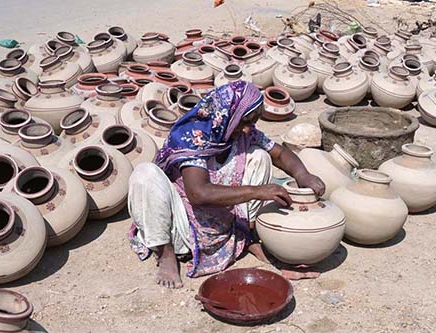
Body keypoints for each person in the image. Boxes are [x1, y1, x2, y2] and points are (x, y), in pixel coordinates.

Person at [128, 80, 325, 288]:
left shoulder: (238, 132)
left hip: (226, 224)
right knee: (144, 174)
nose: (248, 130)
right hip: (182, 224)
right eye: (244, 122)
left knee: (260, 155)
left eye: (252, 122)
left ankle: (247, 235)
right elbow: (198, 193)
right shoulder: (192, 136)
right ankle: (165, 253)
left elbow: (280, 154)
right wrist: (257, 191)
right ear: (226, 115)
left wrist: (303, 174)